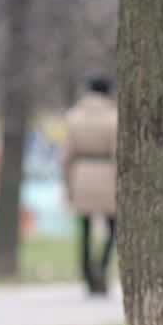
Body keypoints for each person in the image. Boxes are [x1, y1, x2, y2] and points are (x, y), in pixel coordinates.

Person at [61, 76, 118, 296]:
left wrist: (68, 184)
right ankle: (101, 267)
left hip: (81, 173)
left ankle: (86, 272)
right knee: (112, 228)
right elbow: (117, 152)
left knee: (84, 228)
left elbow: (66, 155)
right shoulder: (114, 118)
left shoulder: (73, 117)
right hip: (107, 173)